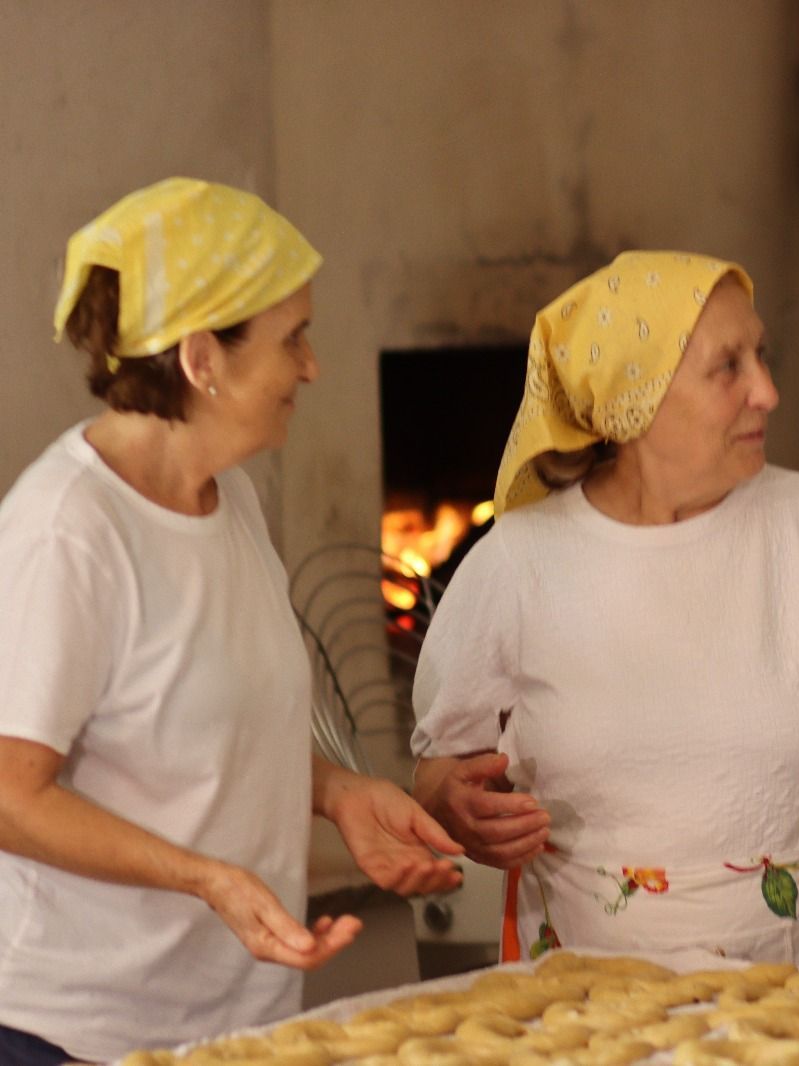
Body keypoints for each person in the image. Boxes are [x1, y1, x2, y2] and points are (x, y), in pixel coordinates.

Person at [412, 250, 799, 968]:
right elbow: (441, 771)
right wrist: (456, 809)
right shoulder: (519, 563)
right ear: (636, 398)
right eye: (730, 368)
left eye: (762, 356)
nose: (768, 392)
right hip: (590, 998)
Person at [0, 178, 464, 1065]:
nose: (312, 366)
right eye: (293, 339)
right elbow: (9, 793)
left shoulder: (233, 498)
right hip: (75, 1033)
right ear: (202, 359)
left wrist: (335, 794)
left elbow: (199, 726)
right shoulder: (68, 532)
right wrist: (202, 876)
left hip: (230, 1025)